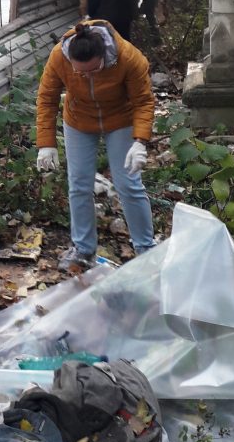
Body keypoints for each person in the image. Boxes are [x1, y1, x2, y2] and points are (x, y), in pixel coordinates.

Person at [35, 20, 156, 271]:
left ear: (104, 56)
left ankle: (146, 250)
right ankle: (83, 249)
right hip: (79, 120)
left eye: (94, 70)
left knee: (128, 184)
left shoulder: (128, 57)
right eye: (81, 72)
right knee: (79, 184)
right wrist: (46, 143)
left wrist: (140, 141)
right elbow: (47, 98)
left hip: (120, 119)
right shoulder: (59, 57)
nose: (87, 75)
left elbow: (143, 101)